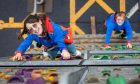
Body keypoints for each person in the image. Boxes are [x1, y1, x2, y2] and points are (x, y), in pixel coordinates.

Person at [12, 14, 77, 61]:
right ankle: (50, 55)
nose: (34, 29)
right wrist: (19, 52)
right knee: (50, 57)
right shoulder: (33, 34)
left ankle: (75, 53)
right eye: (30, 29)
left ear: (40, 22)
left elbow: (60, 41)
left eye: (34, 25)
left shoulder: (55, 28)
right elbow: (26, 43)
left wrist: (64, 50)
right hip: (51, 46)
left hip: (64, 42)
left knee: (72, 50)